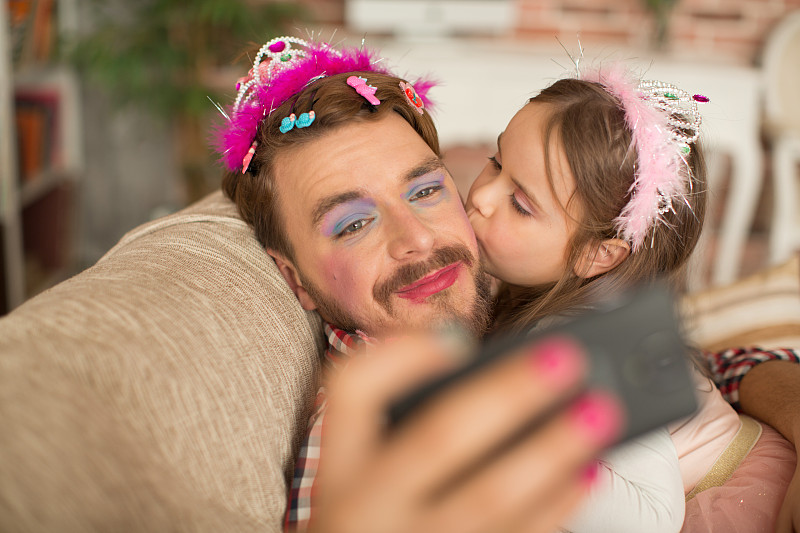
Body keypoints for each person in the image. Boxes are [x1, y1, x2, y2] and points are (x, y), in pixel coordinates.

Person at [212, 36, 800, 532]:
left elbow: (705, 375)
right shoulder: (362, 430)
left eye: (425, 190)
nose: (419, 236)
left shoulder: (523, 301)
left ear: (598, 254)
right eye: (354, 223)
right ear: (296, 280)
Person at [463, 65, 797, 531]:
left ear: (599, 254)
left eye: (521, 203)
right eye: (497, 162)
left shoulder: (591, 341)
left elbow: (648, 519)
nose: (480, 198)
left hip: (739, 500)